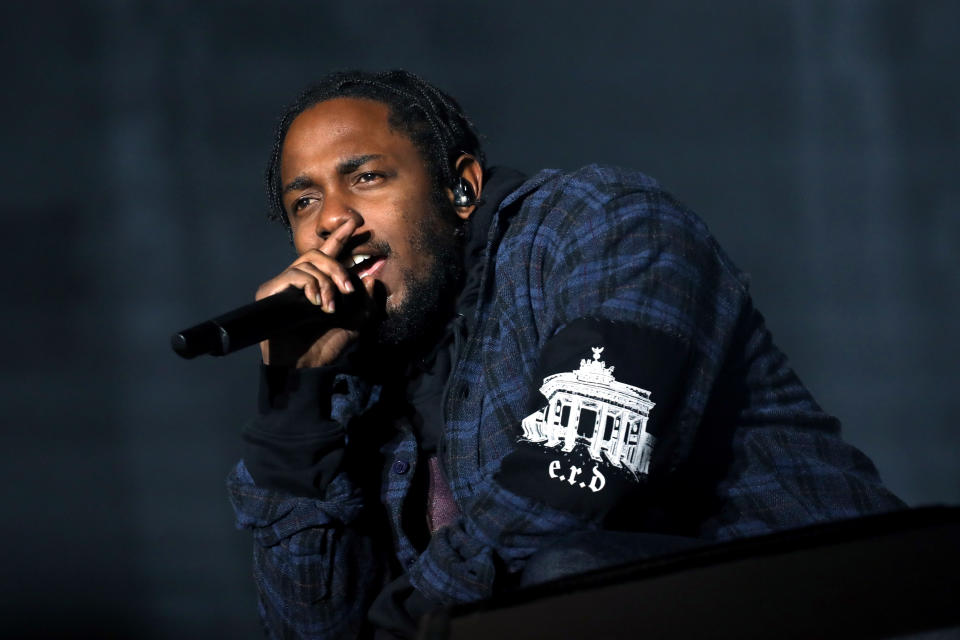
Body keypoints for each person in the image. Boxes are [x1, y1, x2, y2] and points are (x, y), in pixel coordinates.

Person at [226, 70, 904, 639]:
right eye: (304, 200)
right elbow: (313, 629)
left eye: (366, 178)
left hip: (837, 604)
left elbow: (576, 470)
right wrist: (293, 399)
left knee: (559, 582)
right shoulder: (355, 378)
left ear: (460, 188)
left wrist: (406, 620)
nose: (331, 219)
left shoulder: (600, 224)